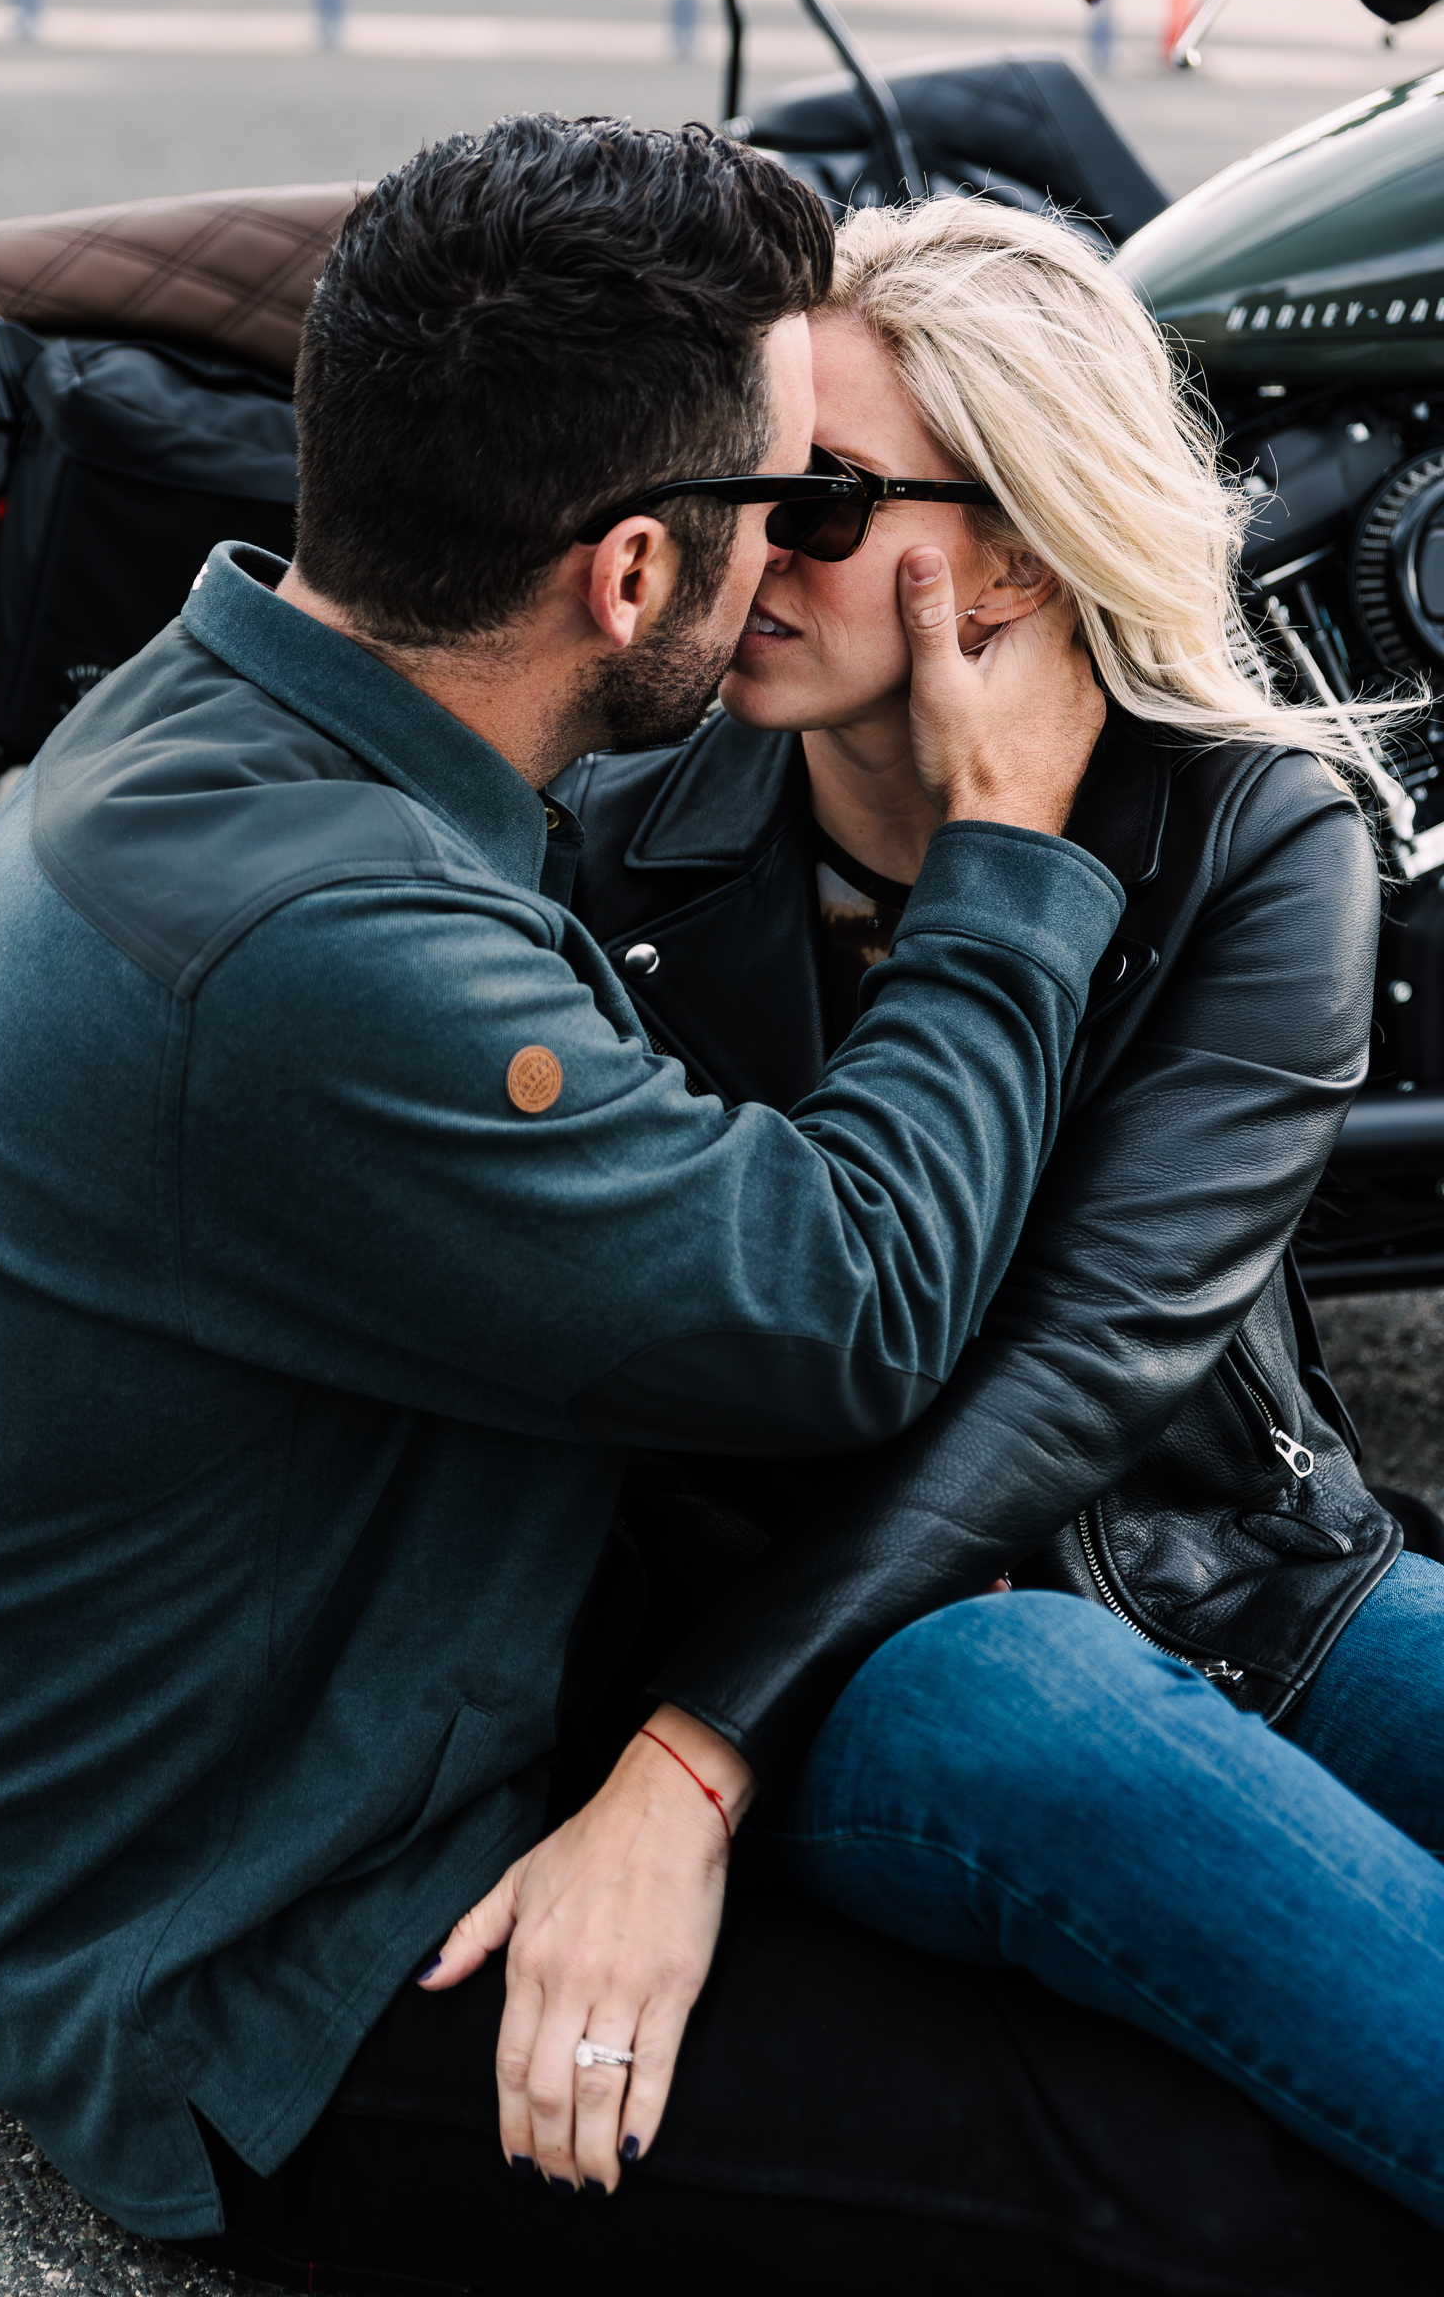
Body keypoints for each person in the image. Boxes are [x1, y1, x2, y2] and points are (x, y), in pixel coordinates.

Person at [0, 115, 1129, 2292]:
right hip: (270, 1980)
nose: (804, 563)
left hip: (306, 1778)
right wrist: (1001, 857)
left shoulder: (230, 710)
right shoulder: (316, 937)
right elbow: (843, 1307)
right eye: (788, 507)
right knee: (1183, 2176)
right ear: (629, 575)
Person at [537, 195, 1444, 2281]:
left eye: (827, 500)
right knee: (1032, 1699)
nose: (749, 551)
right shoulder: (622, 835)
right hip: (839, 1659)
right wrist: (690, 1752)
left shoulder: (1245, 836)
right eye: (740, 480)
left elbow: (1089, 1359)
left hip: (1236, 1577)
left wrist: (999, 867)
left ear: (1022, 548)